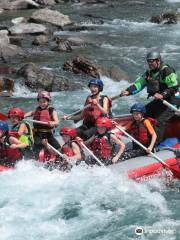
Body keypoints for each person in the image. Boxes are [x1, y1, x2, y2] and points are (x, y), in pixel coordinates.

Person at [120, 51, 179, 144]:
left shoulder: (167, 71)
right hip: (160, 100)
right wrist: (128, 91)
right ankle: (140, 137)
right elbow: (139, 83)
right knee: (143, 113)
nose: (150, 63)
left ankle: (155, 145)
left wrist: (162, 94)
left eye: (152, 61)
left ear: (158, 61)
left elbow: (174, 87)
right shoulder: (149, 73)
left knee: (160, 121)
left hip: (173, 101)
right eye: (148, 61)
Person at [24, 91, 60, 157]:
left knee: (57, 147)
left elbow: (57, 121)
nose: (42, 103)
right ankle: (36, 157)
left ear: (48, 101)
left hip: (48, 133)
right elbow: (31, 113)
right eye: (40, 102)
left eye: (44, 101)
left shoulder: (52, 110)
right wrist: (23, 116)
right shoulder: (38, 109)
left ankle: (57, 156)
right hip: (38, 133)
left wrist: (53, 123)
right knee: (37, 145)